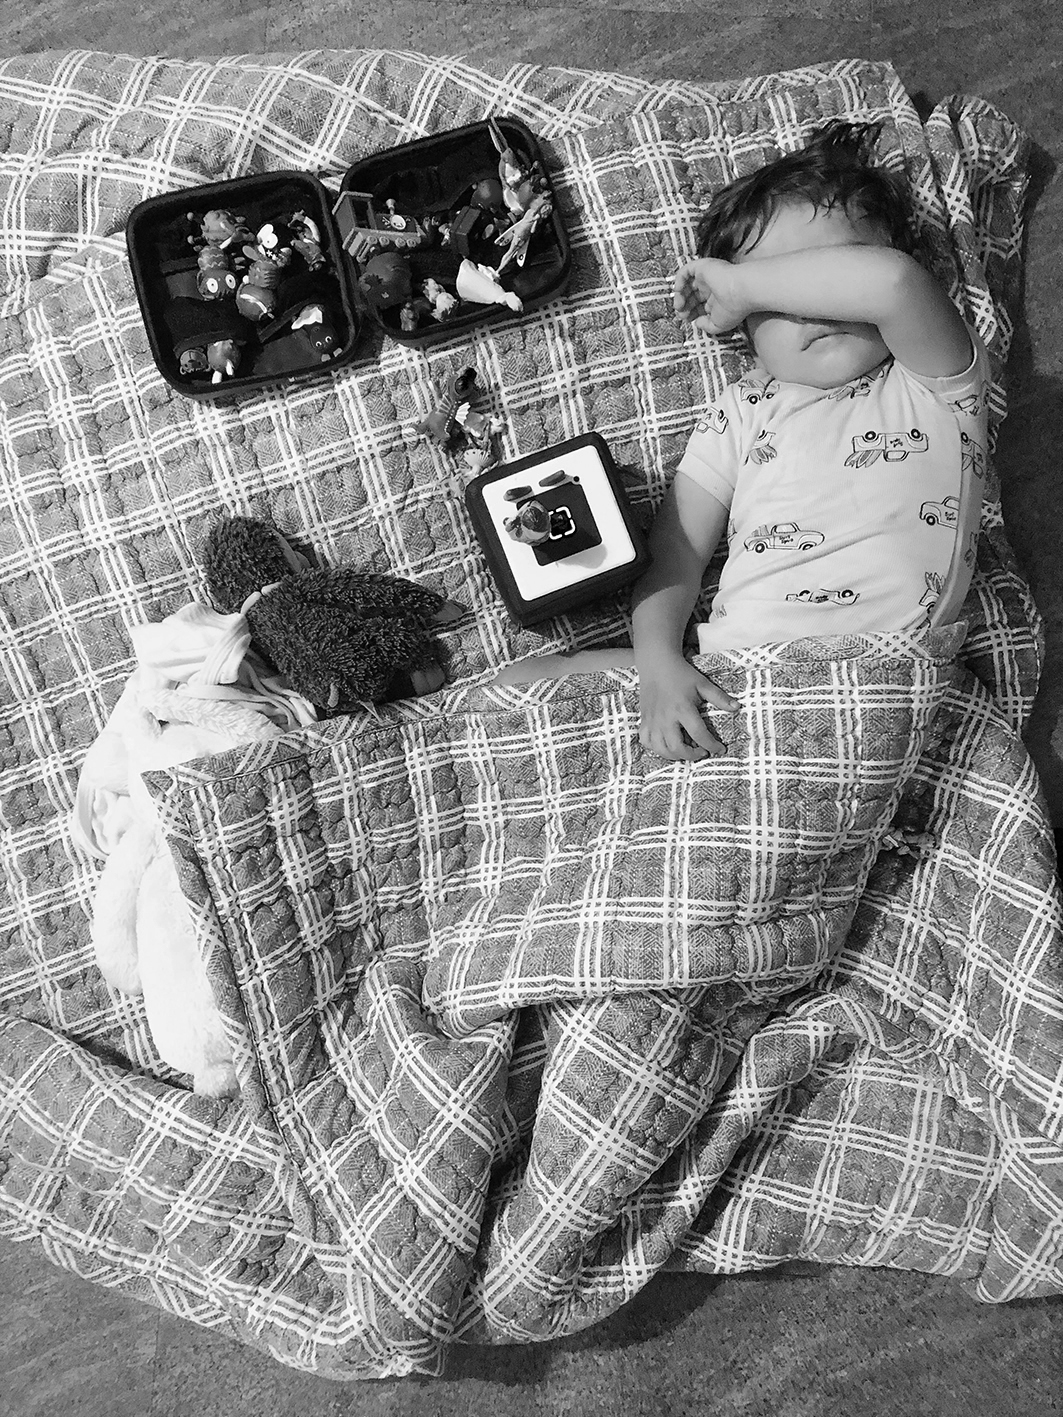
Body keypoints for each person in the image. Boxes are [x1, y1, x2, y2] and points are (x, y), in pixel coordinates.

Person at [495, 121, 990, 766]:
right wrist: (658, 665)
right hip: (732, 674)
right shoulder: (744, 409)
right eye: (775, 294)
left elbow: (893, 285)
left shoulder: (933, 378)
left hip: (882, 672)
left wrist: (745, 285)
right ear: (746, 333)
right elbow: (674, 557)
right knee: (515, 686)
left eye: (821, 274)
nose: (812, 308)